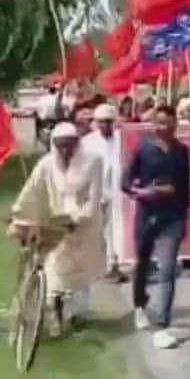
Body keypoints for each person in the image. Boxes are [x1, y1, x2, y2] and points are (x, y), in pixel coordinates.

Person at [6, 122, 104, 332]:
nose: (66, 150)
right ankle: (55, 310)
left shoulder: (93, 162)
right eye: (61, 145)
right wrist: (20, 217)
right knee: (55, 270)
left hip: (85, 227)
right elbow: (32, 192)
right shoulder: (47, 164)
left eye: (70, 145)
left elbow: (93, 199)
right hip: (57, 225)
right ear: (54, 145)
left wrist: (79, 219)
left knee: (81, 273)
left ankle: (77, 314)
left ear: (77, 143)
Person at [121, 105, 190, 349]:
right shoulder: (143, 149)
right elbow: (125, 182)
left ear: (175, 125)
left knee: (168, 269)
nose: (163, 127)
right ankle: (140, 304)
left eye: (168, 123)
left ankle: (162, 325)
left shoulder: (182, 151)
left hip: (172, 219)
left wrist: (182, 217)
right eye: (159, 122)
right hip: (146, 216)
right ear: (154, 125)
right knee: (143, 264)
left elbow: (185, 188)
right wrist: (141, 192)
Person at [80, 104, 126, 282]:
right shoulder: (88, 142)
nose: (105, 126)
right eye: (101, 122)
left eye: (108, 122)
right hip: (98, 193)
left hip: (119, 191)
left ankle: (115, 264)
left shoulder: (122, 140)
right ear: (95, 123)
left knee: (117, 229)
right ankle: (105, 265)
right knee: (101, 231)